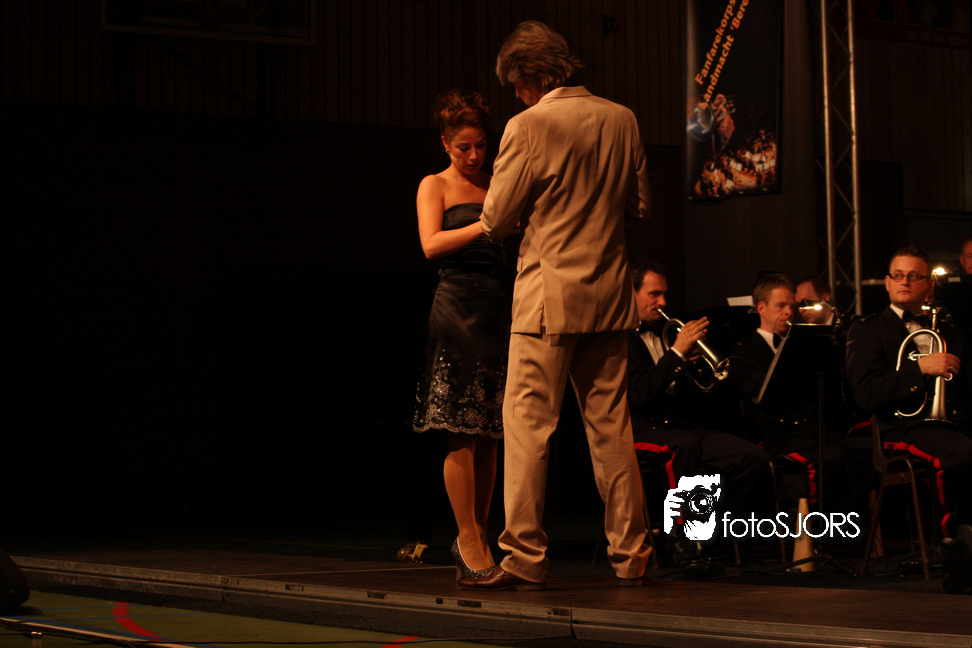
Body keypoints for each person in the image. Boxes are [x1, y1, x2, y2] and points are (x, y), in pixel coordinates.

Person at [458, 20, 652, 591]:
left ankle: (523, 557)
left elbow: (494, 219)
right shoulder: (623, 118)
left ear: (531, 77)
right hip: (609, 297)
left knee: (527, 429)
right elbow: (641, 206)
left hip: (547, 298)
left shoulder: (529, 125)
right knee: (612, 430)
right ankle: (632, 556)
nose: (516, 96)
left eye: (516, 85)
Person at [412, 89, 511, 581]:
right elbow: (431, 245)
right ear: (445, 143)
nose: (474, 156)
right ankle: (466, 537)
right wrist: (487, 224)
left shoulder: (495, 184)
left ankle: (481, 536)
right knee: (461, 429)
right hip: (455, 308)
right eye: (463, 148)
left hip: (497, 307)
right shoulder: (435, 185)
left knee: (491, 432)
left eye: (480, 146)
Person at [627, 258, 769, 542]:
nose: (663, 302)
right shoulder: (619, 339)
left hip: (675, 427)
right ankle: (681, 541)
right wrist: (676, 355)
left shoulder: (664, 334)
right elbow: (639, 395)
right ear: (632, 294)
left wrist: (690, 367)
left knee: (752, 457)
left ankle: (711, 533)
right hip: (640, 431)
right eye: (654, 294)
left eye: (664, 294)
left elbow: (682, 395)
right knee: (685, 446)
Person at [844, 246, 972, 543]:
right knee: (962, 454)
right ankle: (955, 542)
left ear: (929, 285)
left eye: (914, 276)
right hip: (901, 427)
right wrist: (920, 369)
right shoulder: (868, 331)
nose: (905, 281)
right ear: (887, 283)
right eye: (898, 275)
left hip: (952, 424)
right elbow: (866, 394)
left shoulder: (950, 332)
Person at [731, 274, 870, 516]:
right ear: (761, 308)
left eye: (792, 306)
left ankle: (848, 523)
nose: (789, 312)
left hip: (809, 430)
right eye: (781, 306)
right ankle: (817, 526)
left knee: (865, 450)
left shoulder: (801, 344)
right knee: (831, 457)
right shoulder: (744, 352)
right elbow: (760, 396)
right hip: (777, 434)